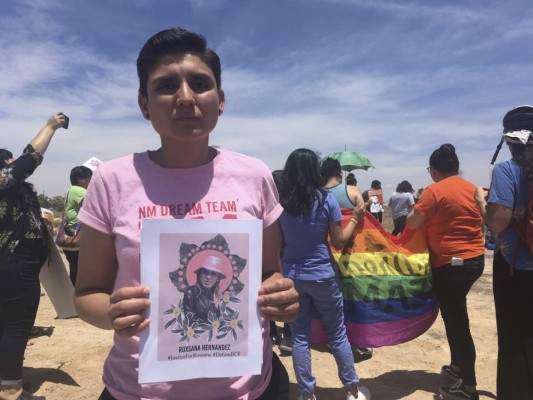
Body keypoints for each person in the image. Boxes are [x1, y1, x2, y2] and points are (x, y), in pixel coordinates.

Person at [73, 28, 298, 400]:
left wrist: (280, 295)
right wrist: (112, 313)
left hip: (249, 388)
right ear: (144, 104)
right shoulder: (112, 180)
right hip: (141, 389)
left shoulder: (254, 175)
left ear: (220, 100)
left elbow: (269, 272)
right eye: (165, 86)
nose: (185, 97)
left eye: (199, 83)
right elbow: (86, 294)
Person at [279, 148, 370, 400]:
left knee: (299, 337)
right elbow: (339, 242)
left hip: (293, 276)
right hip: (323, 274)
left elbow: (278, 242)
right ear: (314, 171)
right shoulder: (325, 199)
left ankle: (307, 394)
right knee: (337, 333)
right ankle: (352, 389)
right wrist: (355, 219)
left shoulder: (281, 203)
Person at [406, 144, 486, 400]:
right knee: (453, 316)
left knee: (457, 322)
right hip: (476, 259)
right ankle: (457, 367)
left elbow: (411, 222)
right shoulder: (471, 187)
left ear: (434, 170)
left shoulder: (434, 191)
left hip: (450, 264)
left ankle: (468, 387)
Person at [0, 113, 67, 400]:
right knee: (16, 326)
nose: (13, 164)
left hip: (14, 265)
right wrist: (51, 125)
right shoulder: (5, 180)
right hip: (14, 265)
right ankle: (10, 389)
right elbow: (30, 159)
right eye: (8, 161)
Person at [485, 105, 533, 399]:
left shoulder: (506, 169)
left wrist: (484, 208)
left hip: (516, 267)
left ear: (510, 141)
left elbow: (499, 219)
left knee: (514, 339)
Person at [321, 157, 373, 361]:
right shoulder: (351, 190)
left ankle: (332, 337)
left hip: (327, 255)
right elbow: (362, 215)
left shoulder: (318, 195)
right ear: (340, 174)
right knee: (355, 296)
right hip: (352, 254)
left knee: (333, 300)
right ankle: (357, 341)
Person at [62, 165, 92, 286]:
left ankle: (72, 299)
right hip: (79, 236)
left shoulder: (70, 190)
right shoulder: (80, 191)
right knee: (83, 271)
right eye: (91, 177)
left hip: (70, 236)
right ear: (81, 179)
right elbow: (93, 206)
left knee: (75, 270)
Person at [182, 255, 225, 323]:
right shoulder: (191, 292)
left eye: (213, 274)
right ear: (199, 274)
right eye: (205, 272)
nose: (208, 277)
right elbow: (190, 318)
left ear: (218, 279)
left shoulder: (218, 296)